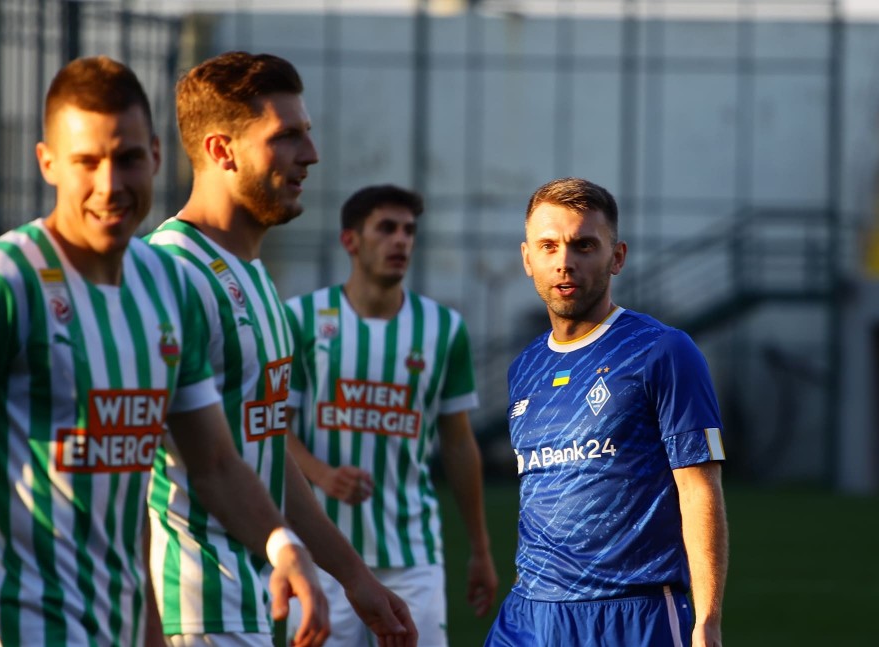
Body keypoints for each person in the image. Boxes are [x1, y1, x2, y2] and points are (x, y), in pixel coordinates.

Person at [0, 56, 328, 647]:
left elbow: (214, 465)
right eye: (87, 161)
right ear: (48, 163)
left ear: (157, 156)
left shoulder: (166, 286)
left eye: (129, 158)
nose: (110, 184)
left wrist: (282, 544)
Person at [144, 52, 416, 647]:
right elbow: (147, 470)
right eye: (286, 136)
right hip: (192, 607)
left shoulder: (253, 275)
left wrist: (354, 577)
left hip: (256, 601)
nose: (310, 155)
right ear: (221, 150)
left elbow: (265, 449)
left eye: (307, 134)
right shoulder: (168, 273)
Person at [484, 177, 728, 647]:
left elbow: (699, 487)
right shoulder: (524, 368)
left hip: (631, 614)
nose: (565, 261)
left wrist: (707, 618)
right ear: (527, 259)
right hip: (528, 615)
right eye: (549, 246)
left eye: (584, 245)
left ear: (617, 257)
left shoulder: (663, 351)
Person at [284, 184, 499, 646]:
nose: (400, 240)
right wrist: (322, 475)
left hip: (411, 553)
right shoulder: (300, 319)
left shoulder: (444, 328)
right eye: (386, 228)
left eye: (408, 230)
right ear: (350, 240)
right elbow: (274, 428)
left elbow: (459, 443)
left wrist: (480, 549)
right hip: (320, 551)